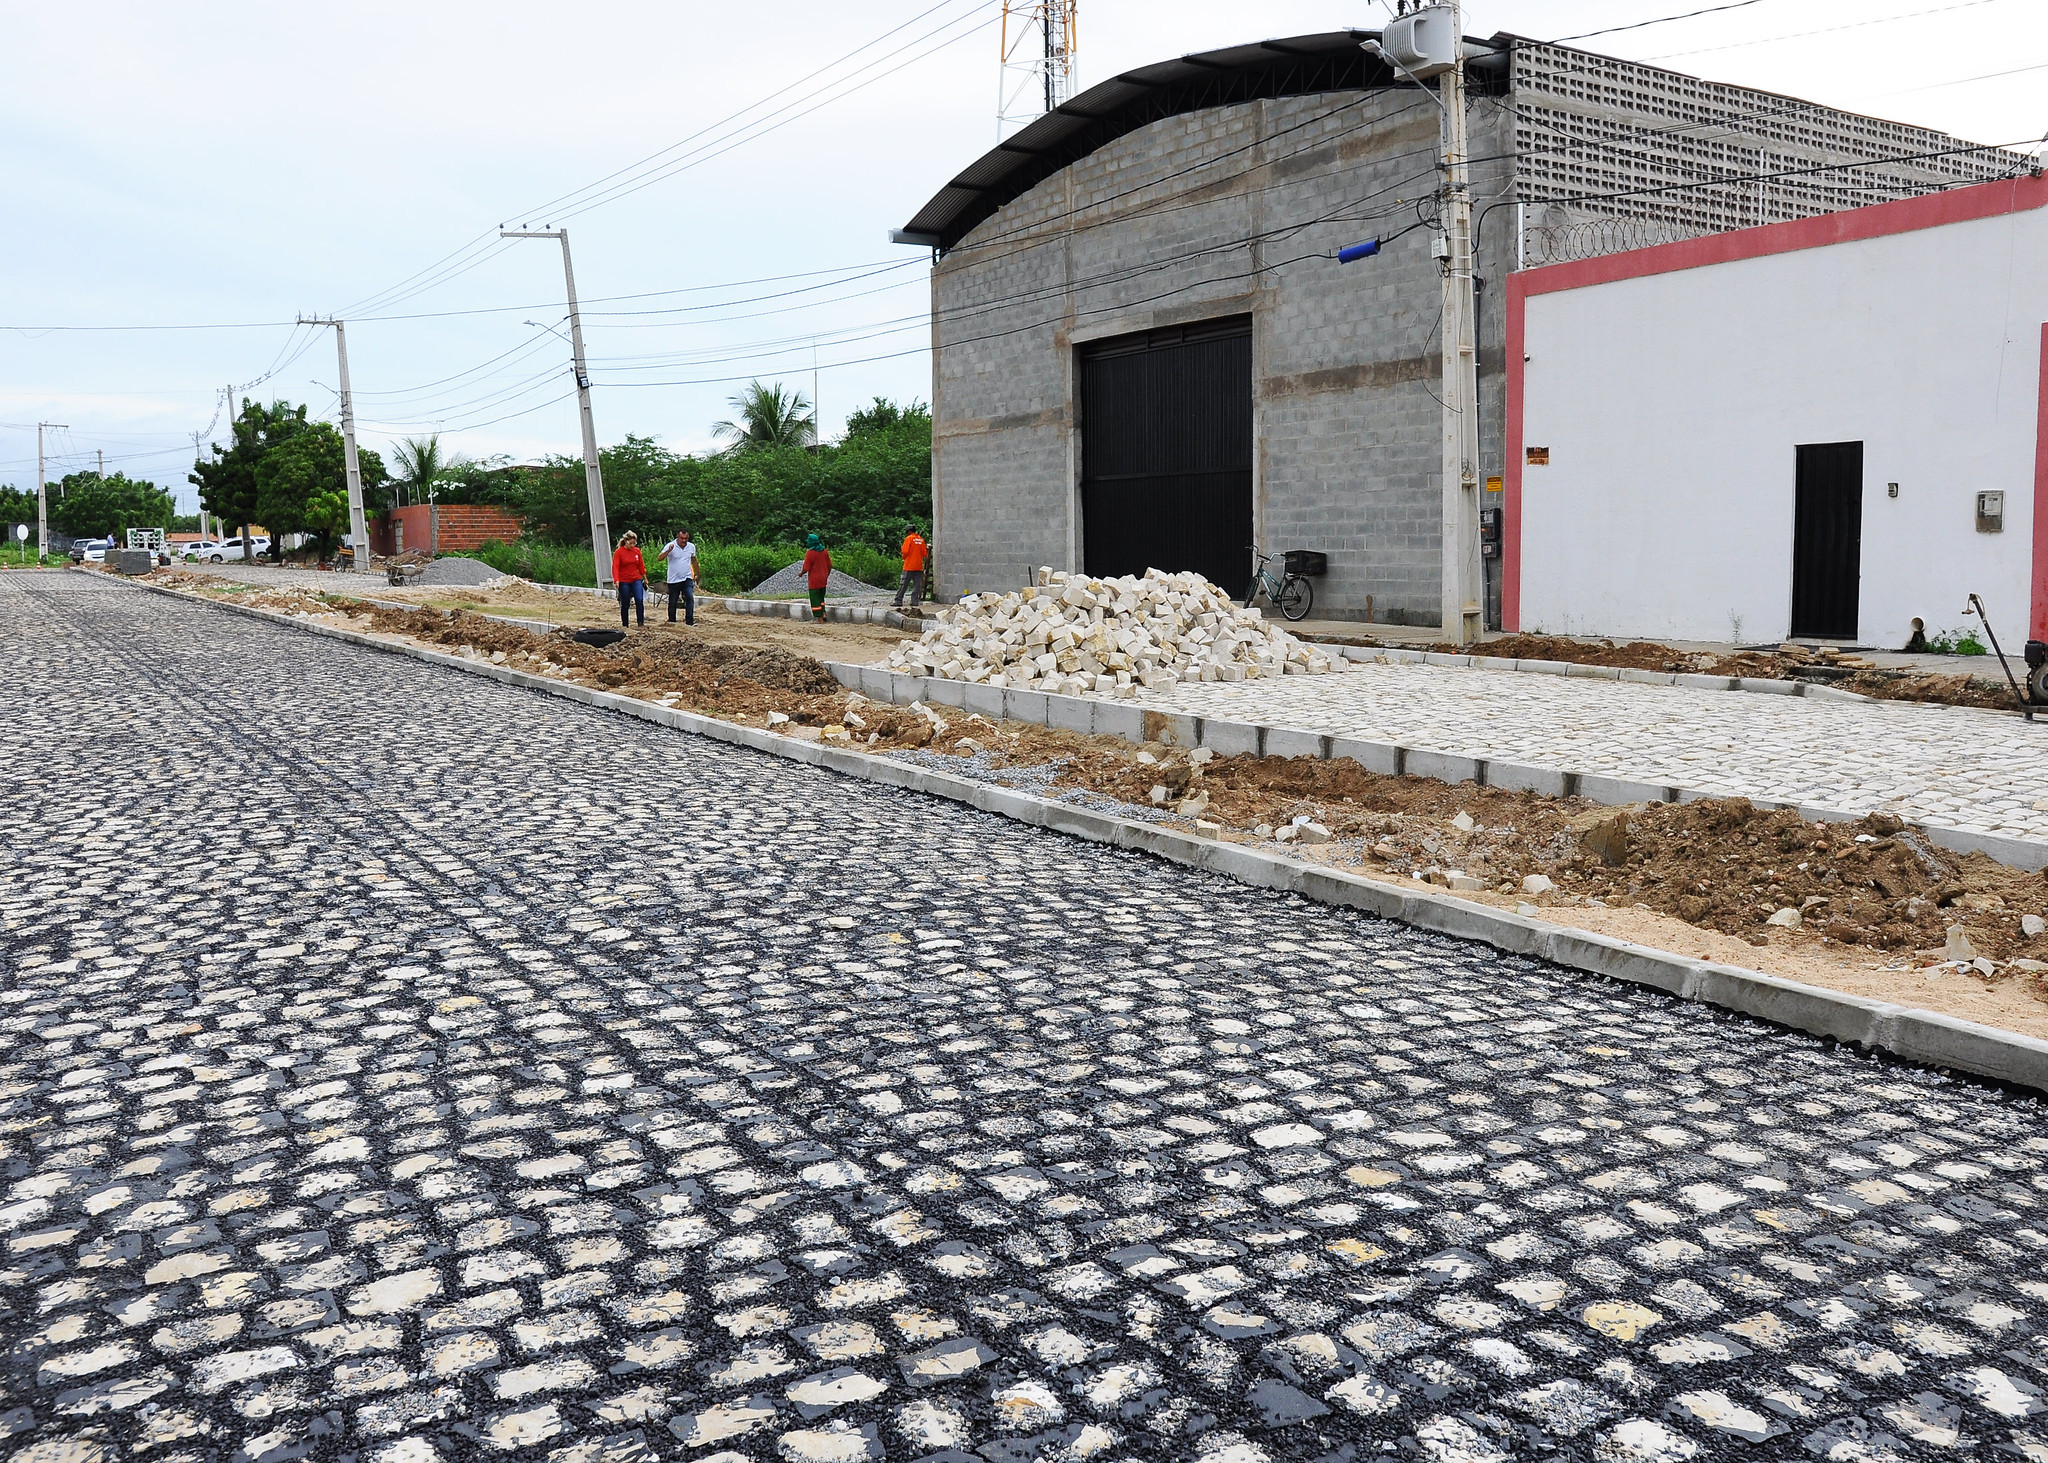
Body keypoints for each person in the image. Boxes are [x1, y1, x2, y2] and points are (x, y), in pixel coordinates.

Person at [656, 528, 698, 625]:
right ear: (677, 538)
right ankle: (672, 620)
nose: (684, 541)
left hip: (686, 577)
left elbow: (694, 560)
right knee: (673, 601)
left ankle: (689, 621)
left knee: (689, 597)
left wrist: (696, 573)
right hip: (674, 579)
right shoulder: (670, 545)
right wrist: (668, 551)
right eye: (682, 538)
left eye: (686, 538)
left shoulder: (691, 547)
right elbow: (660, 558)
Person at [612, 531, 647, 628]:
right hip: (624, 580)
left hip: (636, 578)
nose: (632, 545)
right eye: (630, 543)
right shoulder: (619, 552)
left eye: (634, 543)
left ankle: (640, 622)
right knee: (625, 602)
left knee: (639, 599)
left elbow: (641, 565)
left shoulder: (637, 551)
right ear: (626, 541)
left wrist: (645, 577)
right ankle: (625, 624)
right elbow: (615, 566)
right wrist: (616, 580)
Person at [895, 526, 929, 609]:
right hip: (919, 566)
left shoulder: (908, 539)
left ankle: (898, 601)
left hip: (909, 566)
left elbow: (905, 551)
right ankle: (914, 601)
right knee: (917, 585)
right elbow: (925, 554)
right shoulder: (921, 540)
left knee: (904, 584)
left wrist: (904, 557)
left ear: (909, 531)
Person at [801, 533, 832, 623]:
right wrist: (826, 575)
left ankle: (819, 618)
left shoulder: (810, 553)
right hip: (823, 578)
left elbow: (806, 568)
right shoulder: (824, 551)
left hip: (814, 580)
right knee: (821, 598)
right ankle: (823, 613)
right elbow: (830, 565)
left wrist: (801, 573)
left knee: (815, 599)